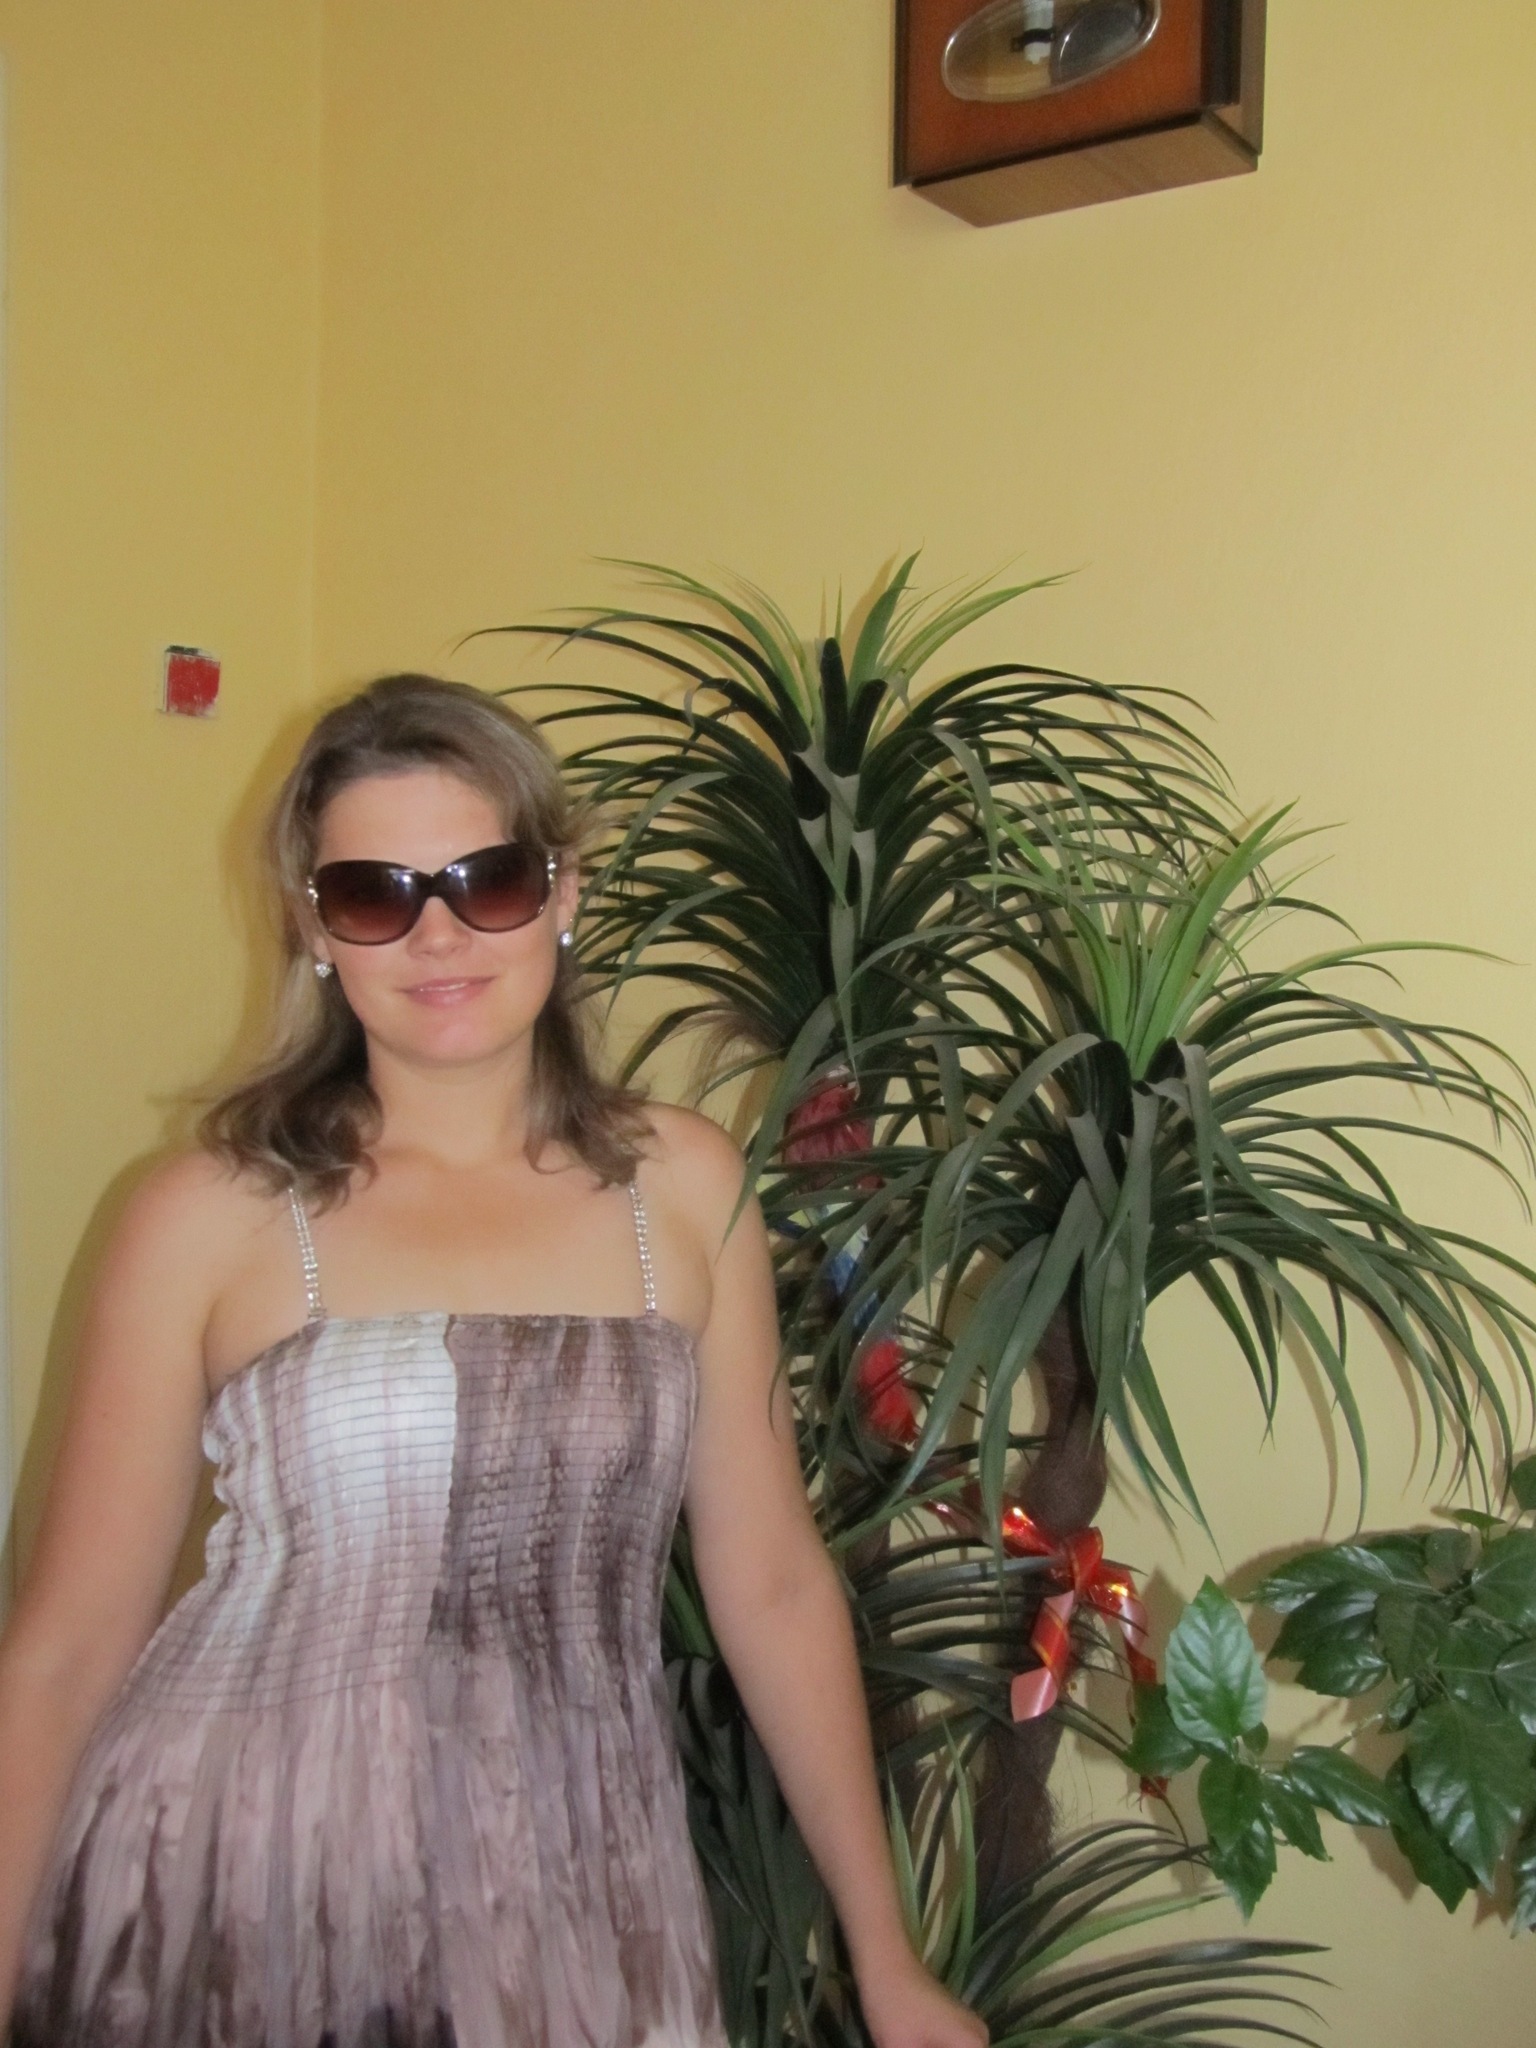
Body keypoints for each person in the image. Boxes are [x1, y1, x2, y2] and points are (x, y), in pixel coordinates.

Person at [0, 675, 988, 2048]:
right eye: (374, 894)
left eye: (487, 879)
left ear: (563, 889)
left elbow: (770, 1580)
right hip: (245, 1895)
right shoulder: (207, 1211)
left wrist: (886, 1955)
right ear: (313, 927)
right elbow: (66, 1650)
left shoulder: (683, 1185)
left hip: (587, 1897)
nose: (438, 933)